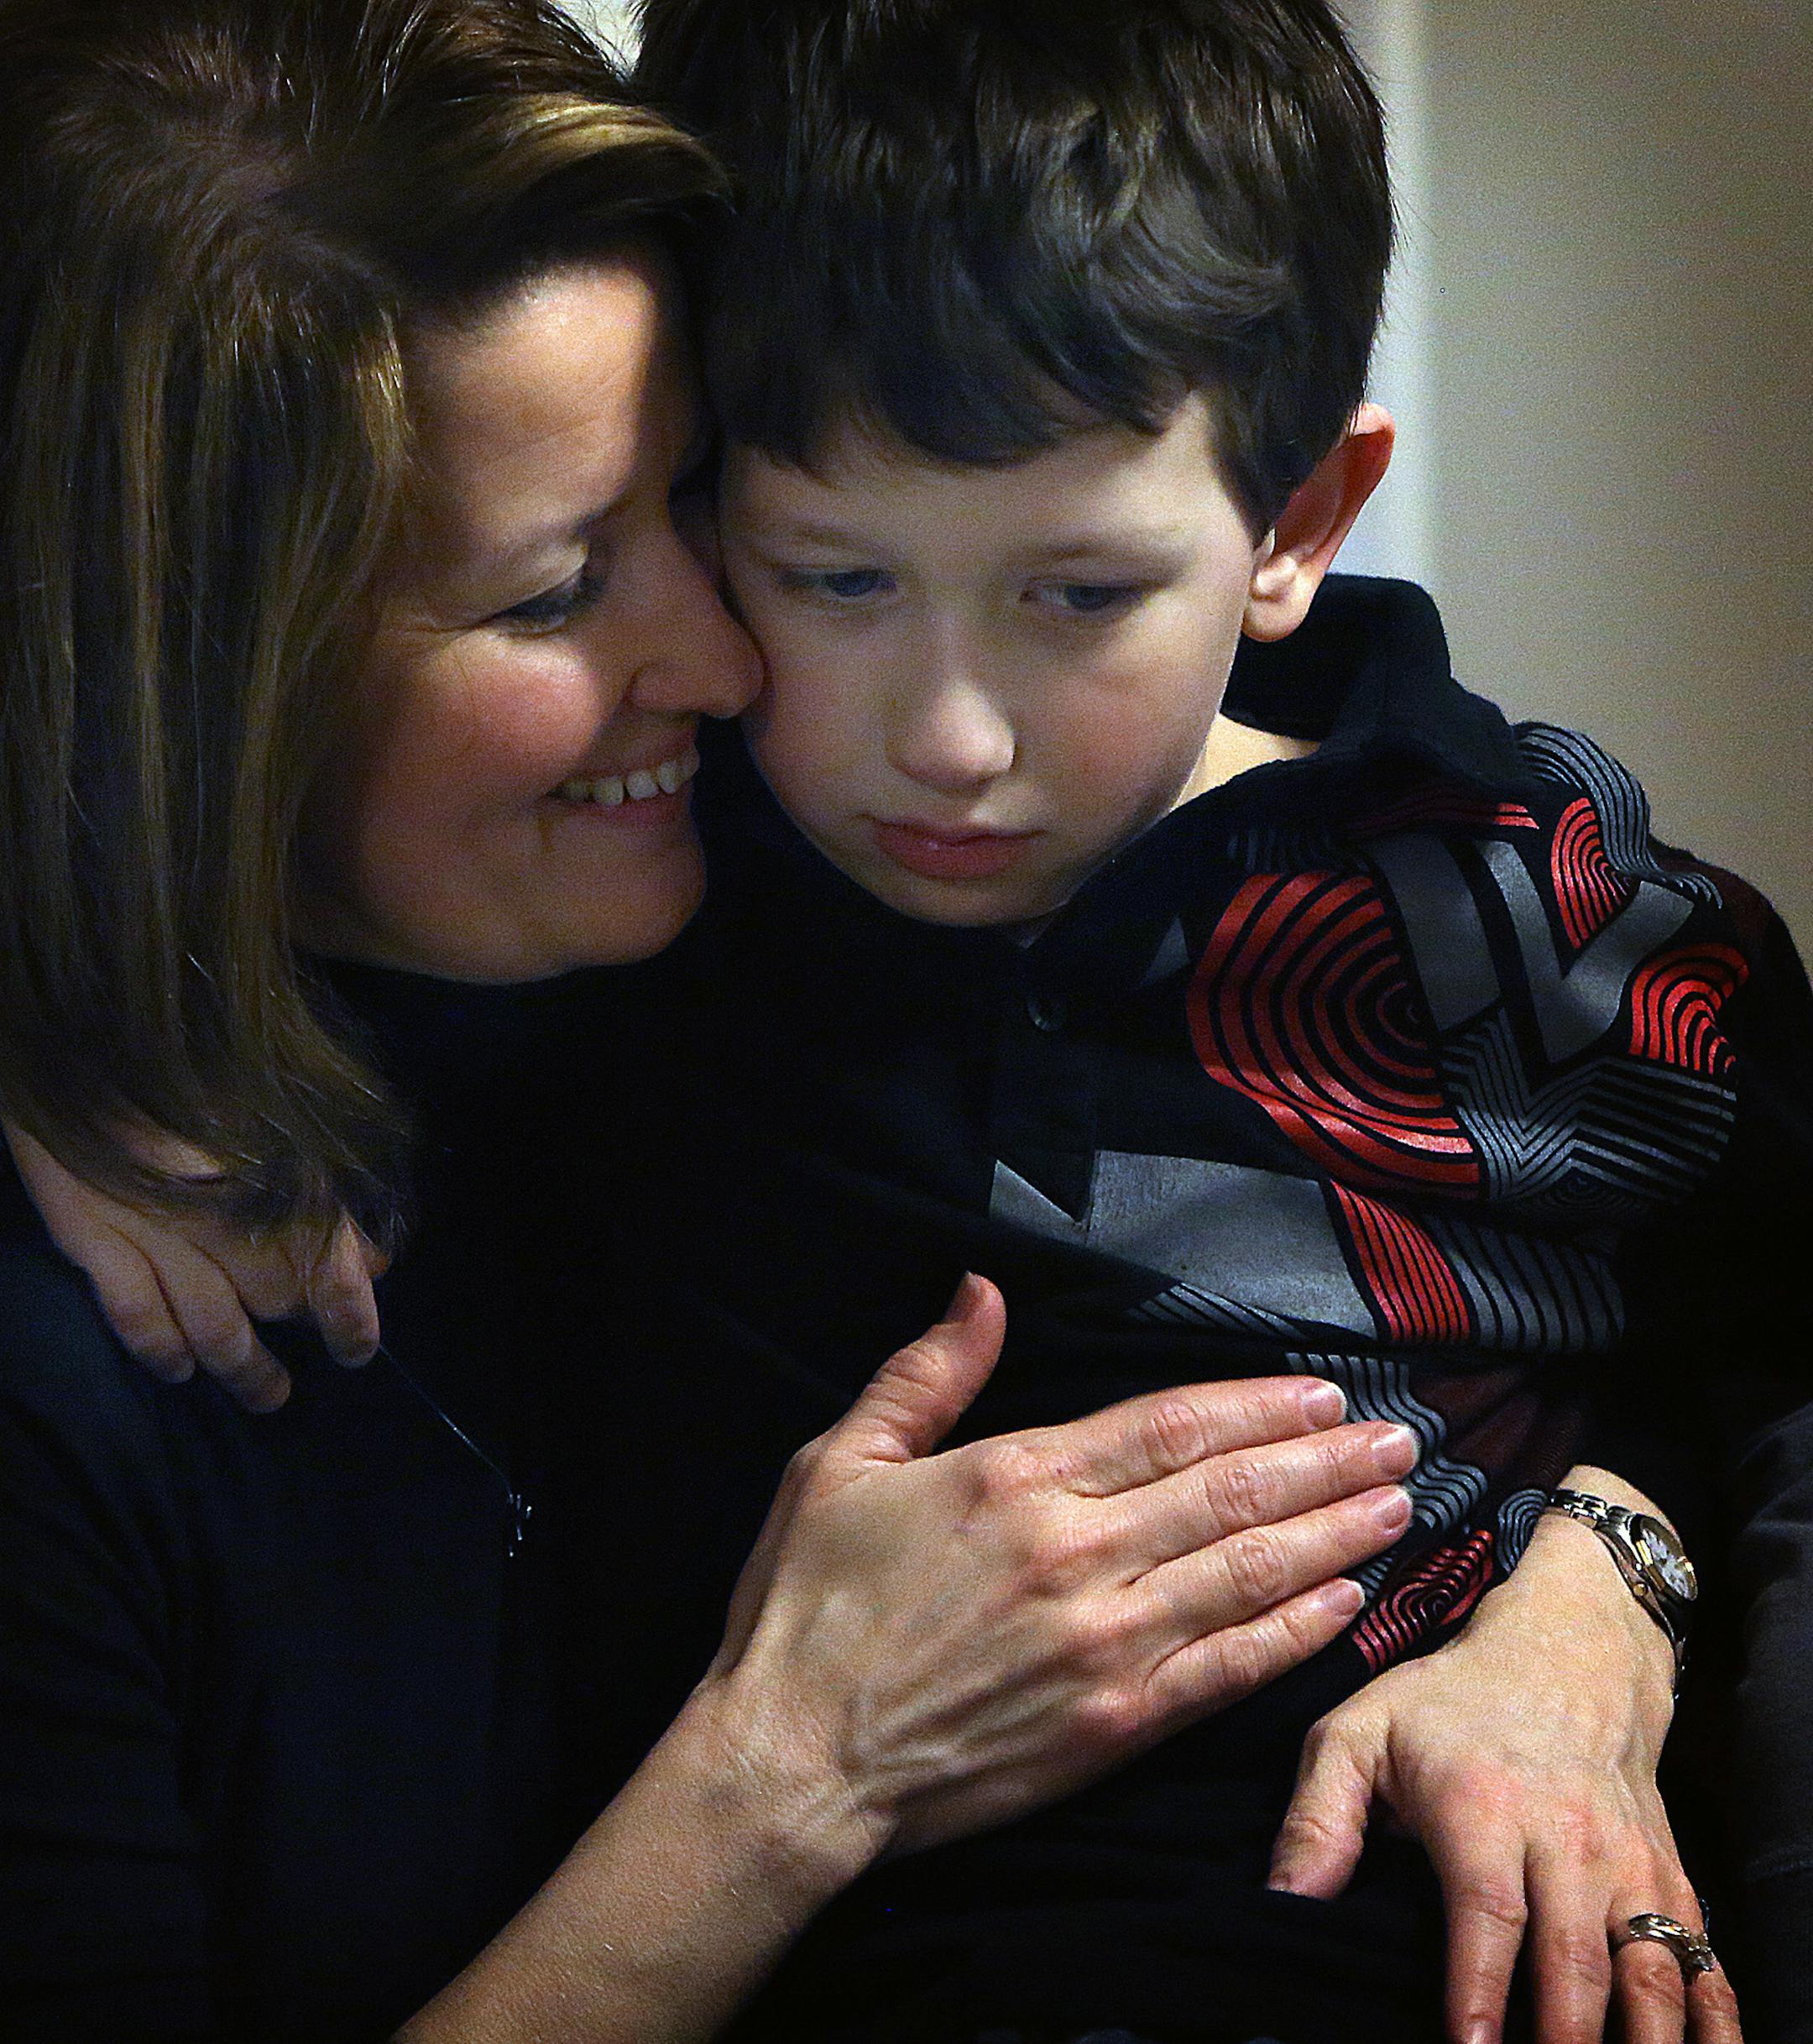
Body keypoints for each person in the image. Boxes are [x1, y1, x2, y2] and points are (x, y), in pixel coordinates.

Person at [4, 1, 1792, 2041]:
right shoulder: (263, 1209)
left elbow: (1729, 1321)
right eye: (567, 586)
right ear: (210, 680)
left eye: (693, 509)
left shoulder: (1519, 915)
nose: (921, 735)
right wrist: (70, 1030)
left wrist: (1603, 1584)